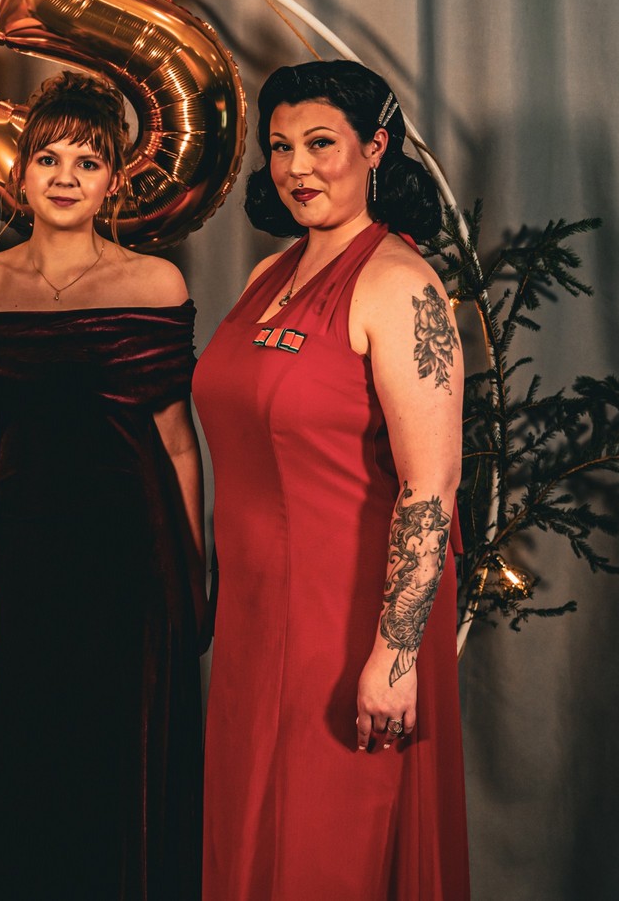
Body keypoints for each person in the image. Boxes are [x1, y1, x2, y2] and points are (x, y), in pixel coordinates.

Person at [193, 60, 471, 899]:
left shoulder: (401, 286)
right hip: (253, 614)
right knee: (251, 829)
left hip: (346, 616)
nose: (297, 168)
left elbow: (431, 486)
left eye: (321, 143)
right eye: (281, 147)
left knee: (326, 845)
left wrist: (396, 652)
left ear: (375, 147)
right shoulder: (268, 276)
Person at [0, 73, 208, 899]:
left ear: (114, 182)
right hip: (25, 562)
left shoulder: (156, 283)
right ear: (19, 172)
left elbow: (180, 444)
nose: (65, 177)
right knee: (32, 766)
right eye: (49, 158)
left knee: (126, 770)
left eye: (87, 163)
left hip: (136, 560)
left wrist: (194, 575)